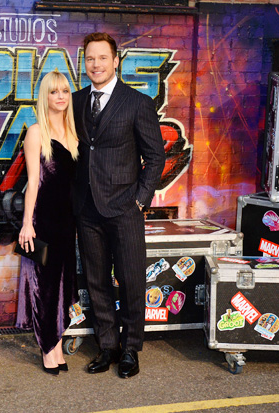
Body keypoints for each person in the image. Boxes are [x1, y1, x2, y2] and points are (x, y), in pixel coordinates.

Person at [72, 32, 166, 378]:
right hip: (87, 208)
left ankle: (130, 349)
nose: (95, 64)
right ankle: (108, 346)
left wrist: (140, 200)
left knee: (130, 280)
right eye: (90, 58)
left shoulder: (137, 103)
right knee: (96, 281)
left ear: (115, 61)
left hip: (126, 207)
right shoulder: (77, 101)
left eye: (102, 58)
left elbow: (156, 157)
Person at [16, 71, 79, 375]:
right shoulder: (36, 133)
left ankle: (57, 344)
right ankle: (47, 348)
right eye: (54, 92)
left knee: (63, 285)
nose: (60, 96)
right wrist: (27, 224)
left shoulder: (75, 133)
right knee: (45, 286)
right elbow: (33, 182)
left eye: (65, 91)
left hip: (68, 222)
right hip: (43, 221)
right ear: (46, 96)